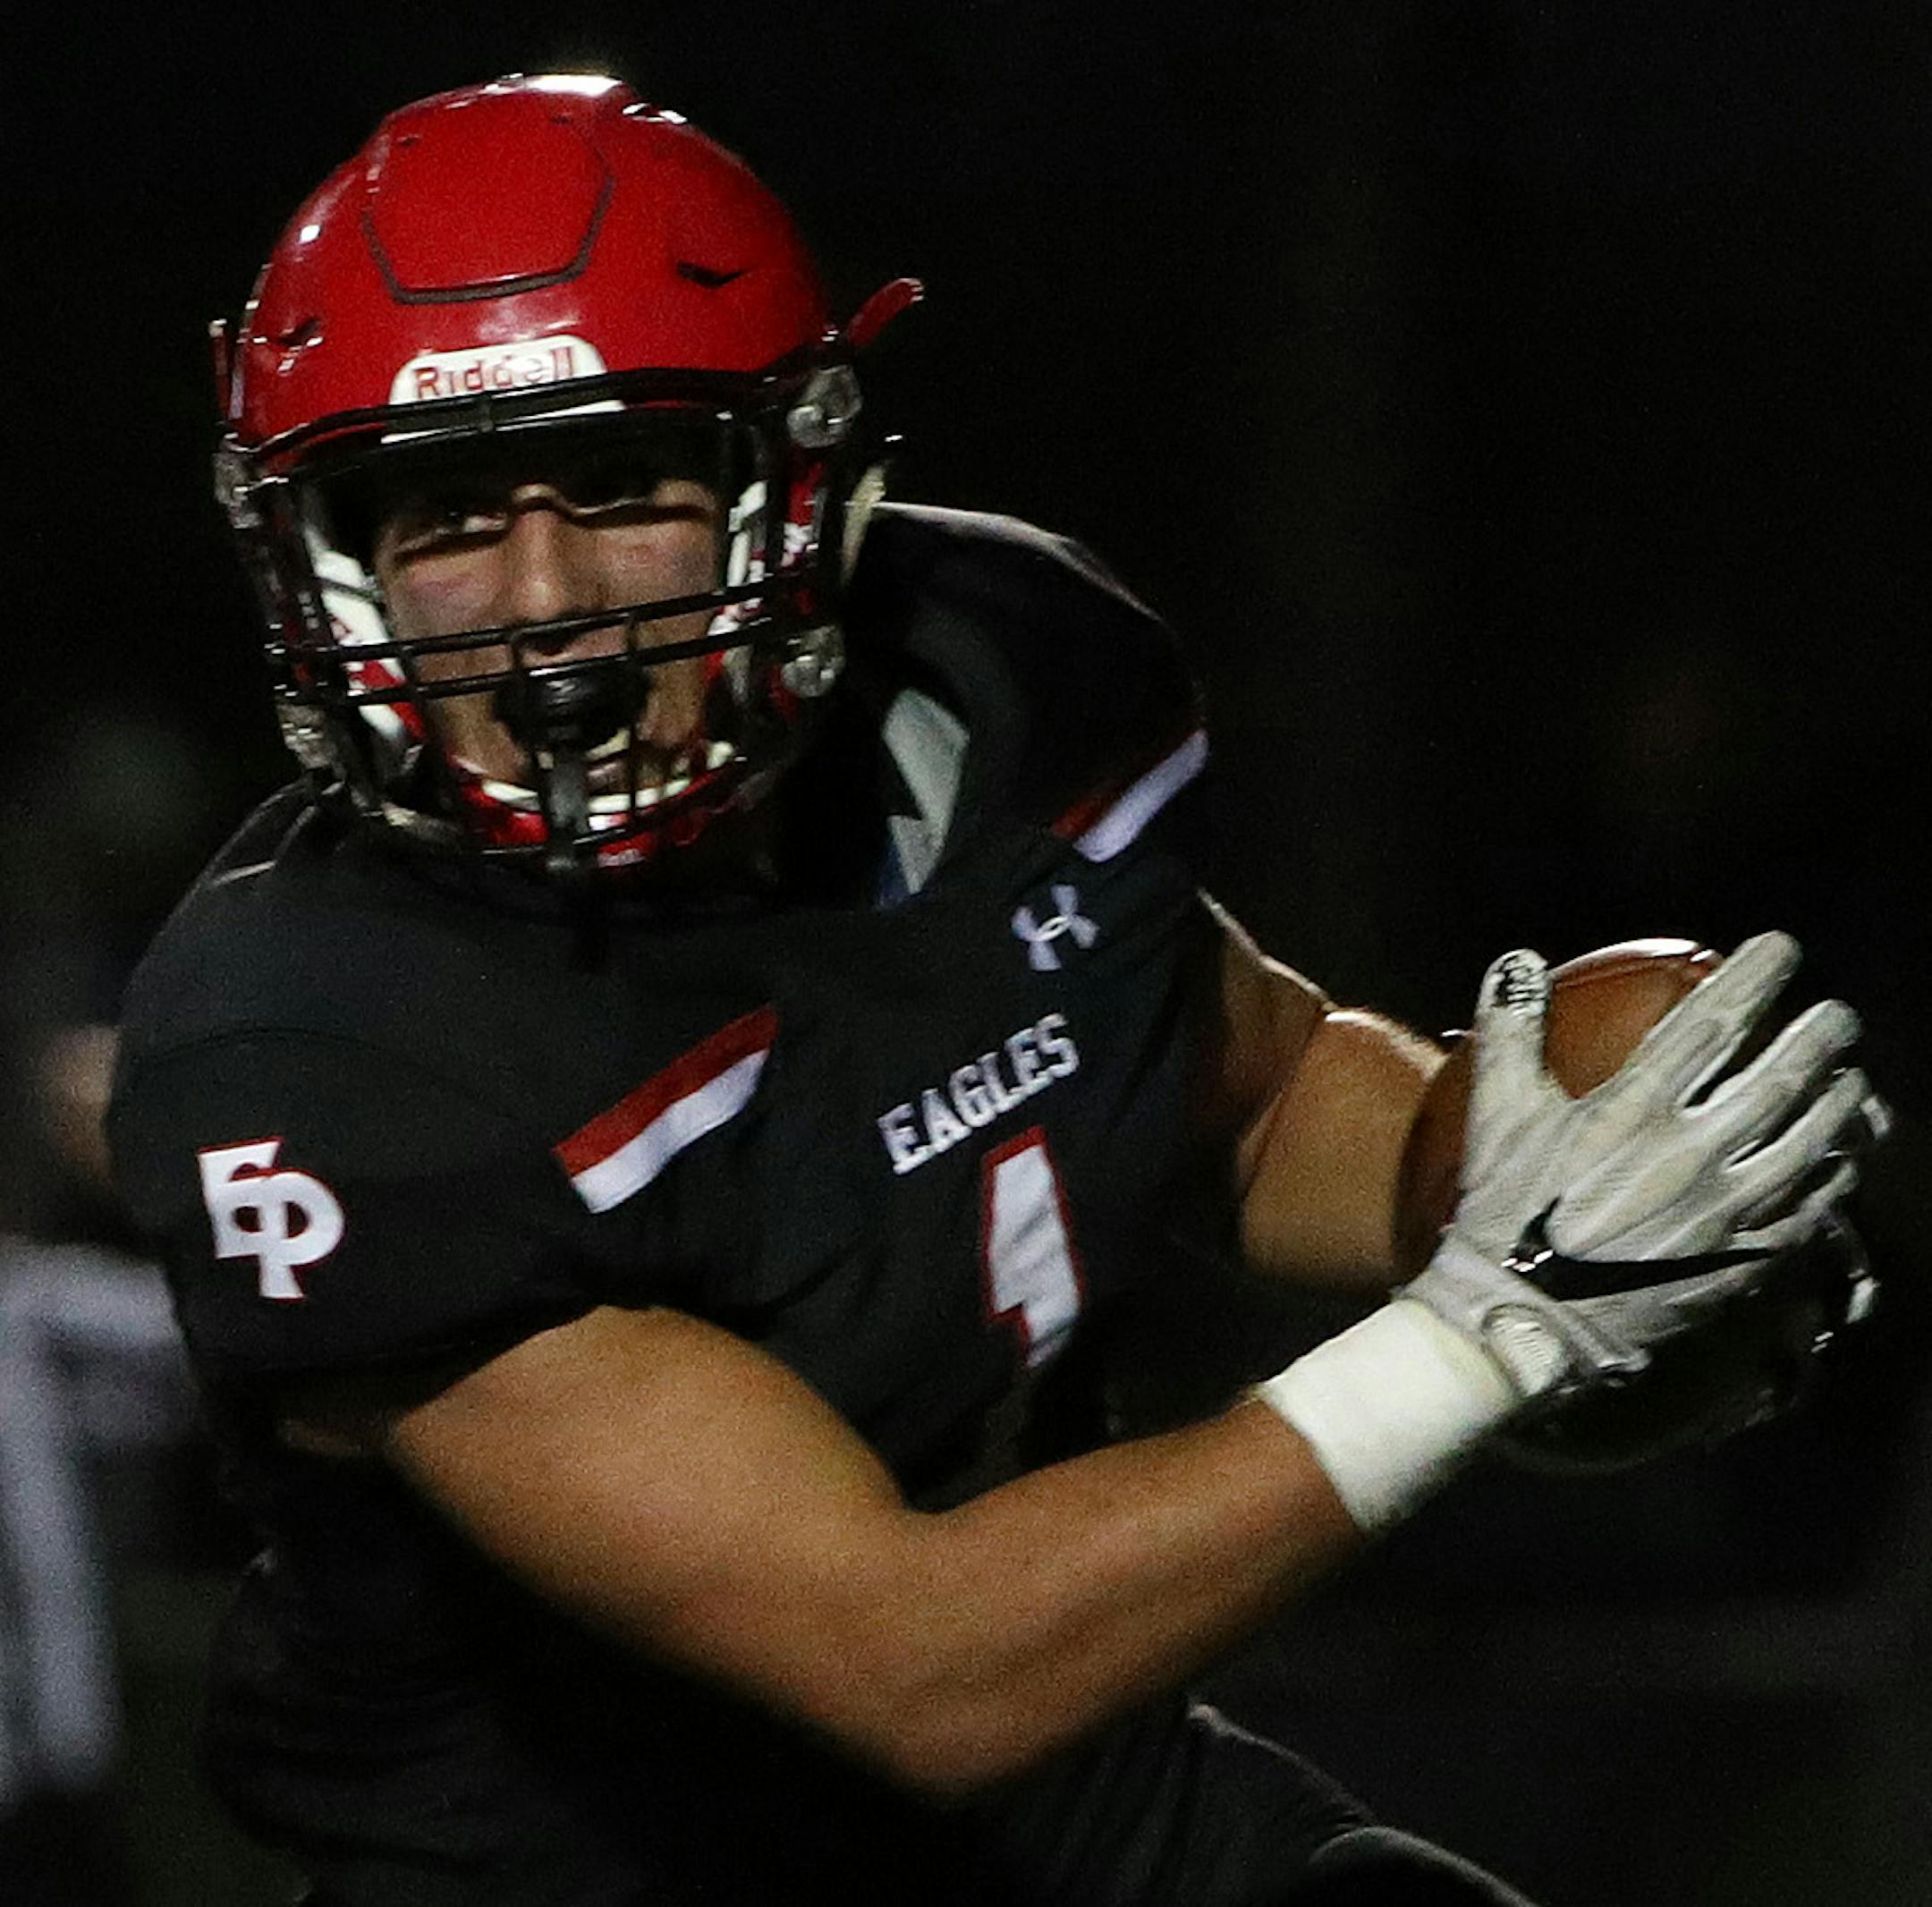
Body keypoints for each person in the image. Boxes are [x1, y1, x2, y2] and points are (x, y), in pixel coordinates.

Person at [106, 74, 1882, 1906]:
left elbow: (1254, 1096)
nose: (548, 605)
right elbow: (915, 1664)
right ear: (330, 569)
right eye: (447, 520)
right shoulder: (312, 1041)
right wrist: (1491, 1331)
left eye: (629, 487)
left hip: (1060, 1821)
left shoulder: (998, 666)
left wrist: (1577, 1175)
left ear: (786, 485)